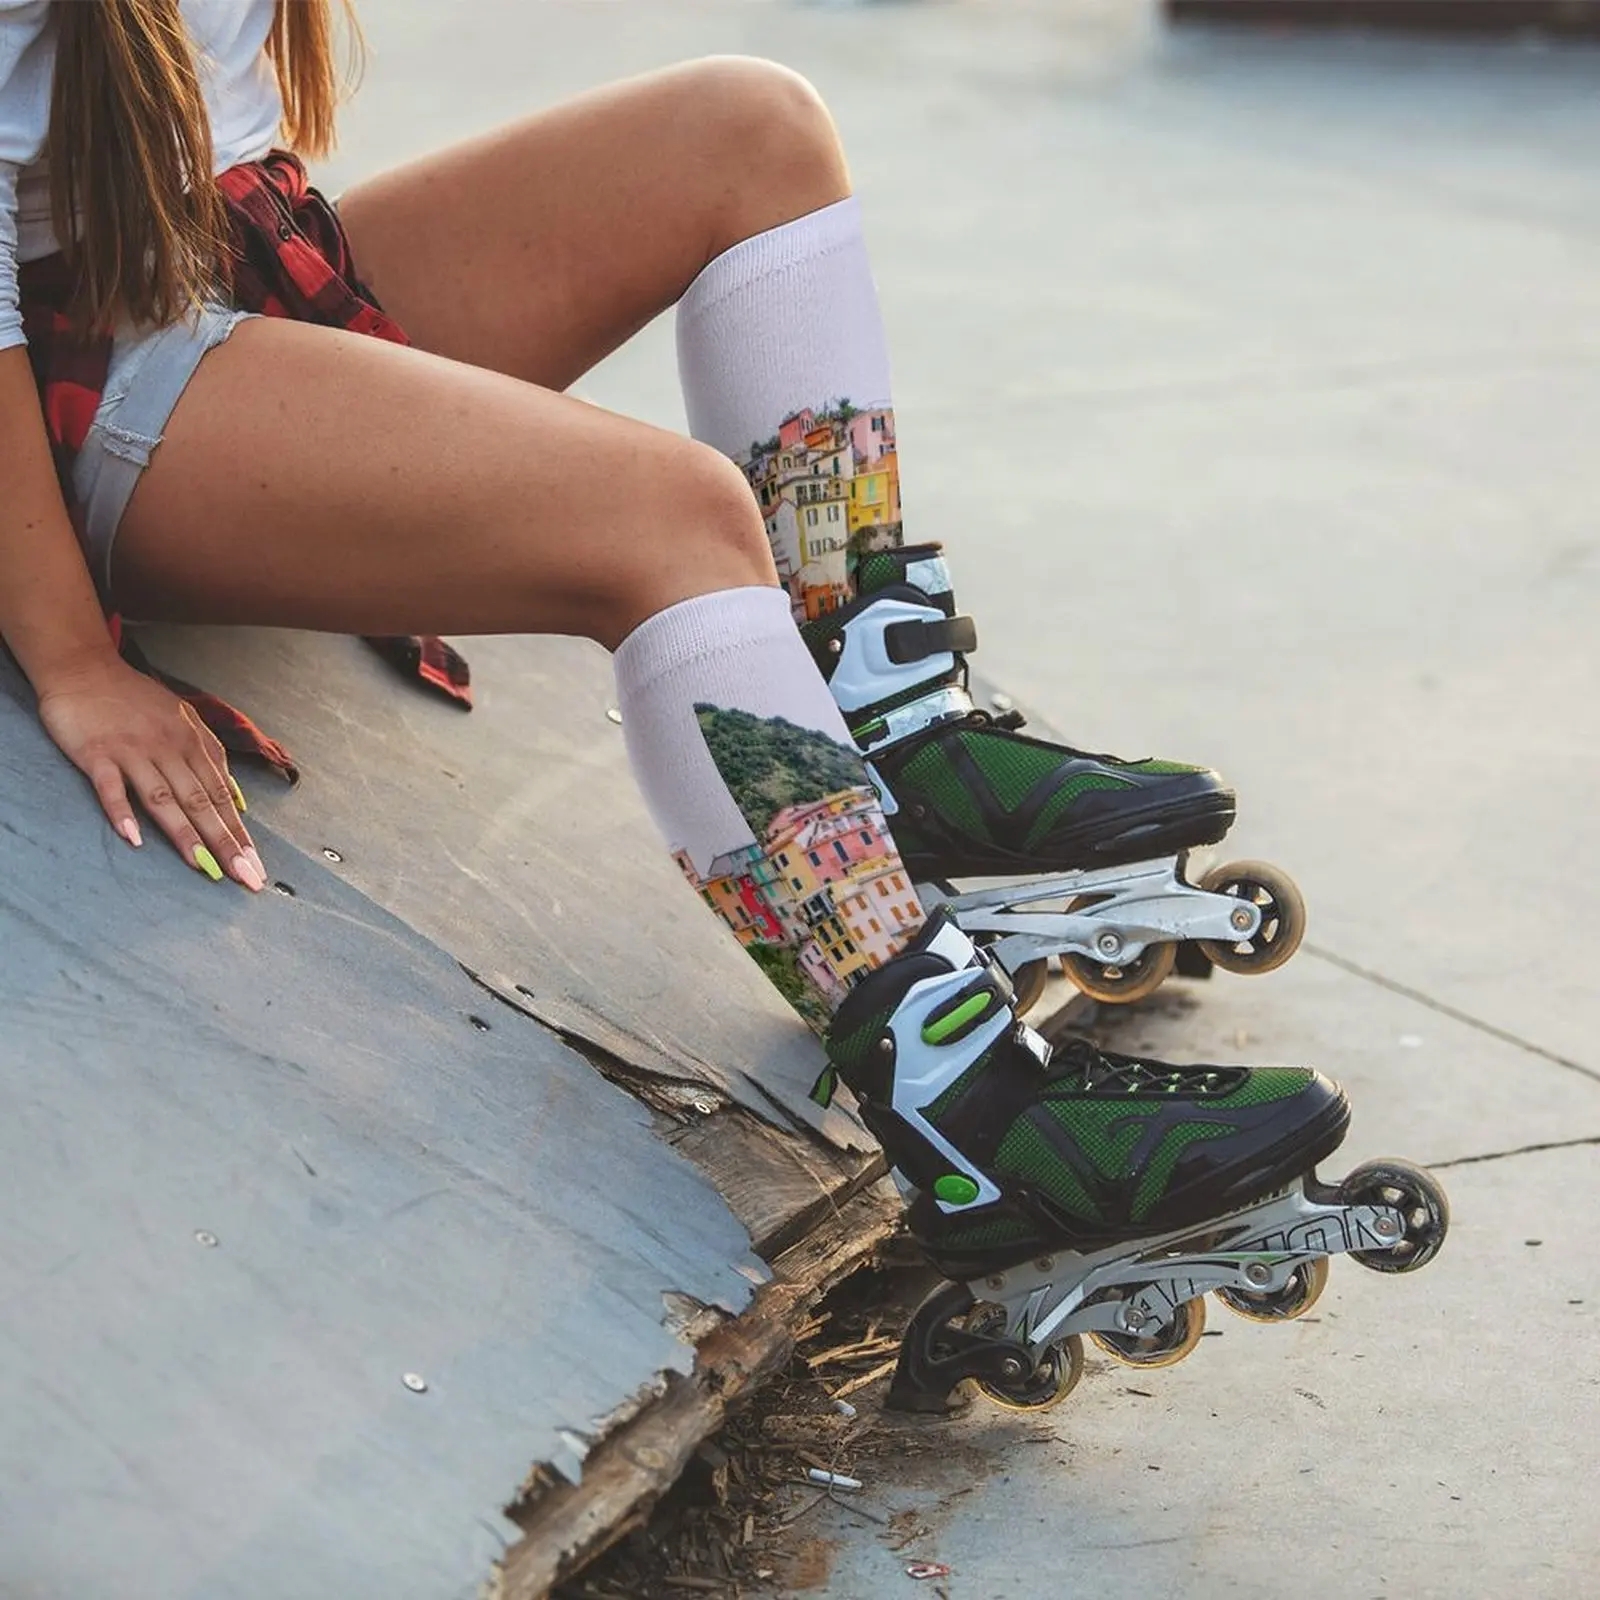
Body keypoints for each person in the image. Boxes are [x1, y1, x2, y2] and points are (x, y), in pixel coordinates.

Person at [0, 0, 1445, 1411]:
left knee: (753, 127)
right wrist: (72, 656)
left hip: (237, 251)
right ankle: (968, 1108)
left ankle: (896, 739)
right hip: (89, 375)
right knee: (671, 518)